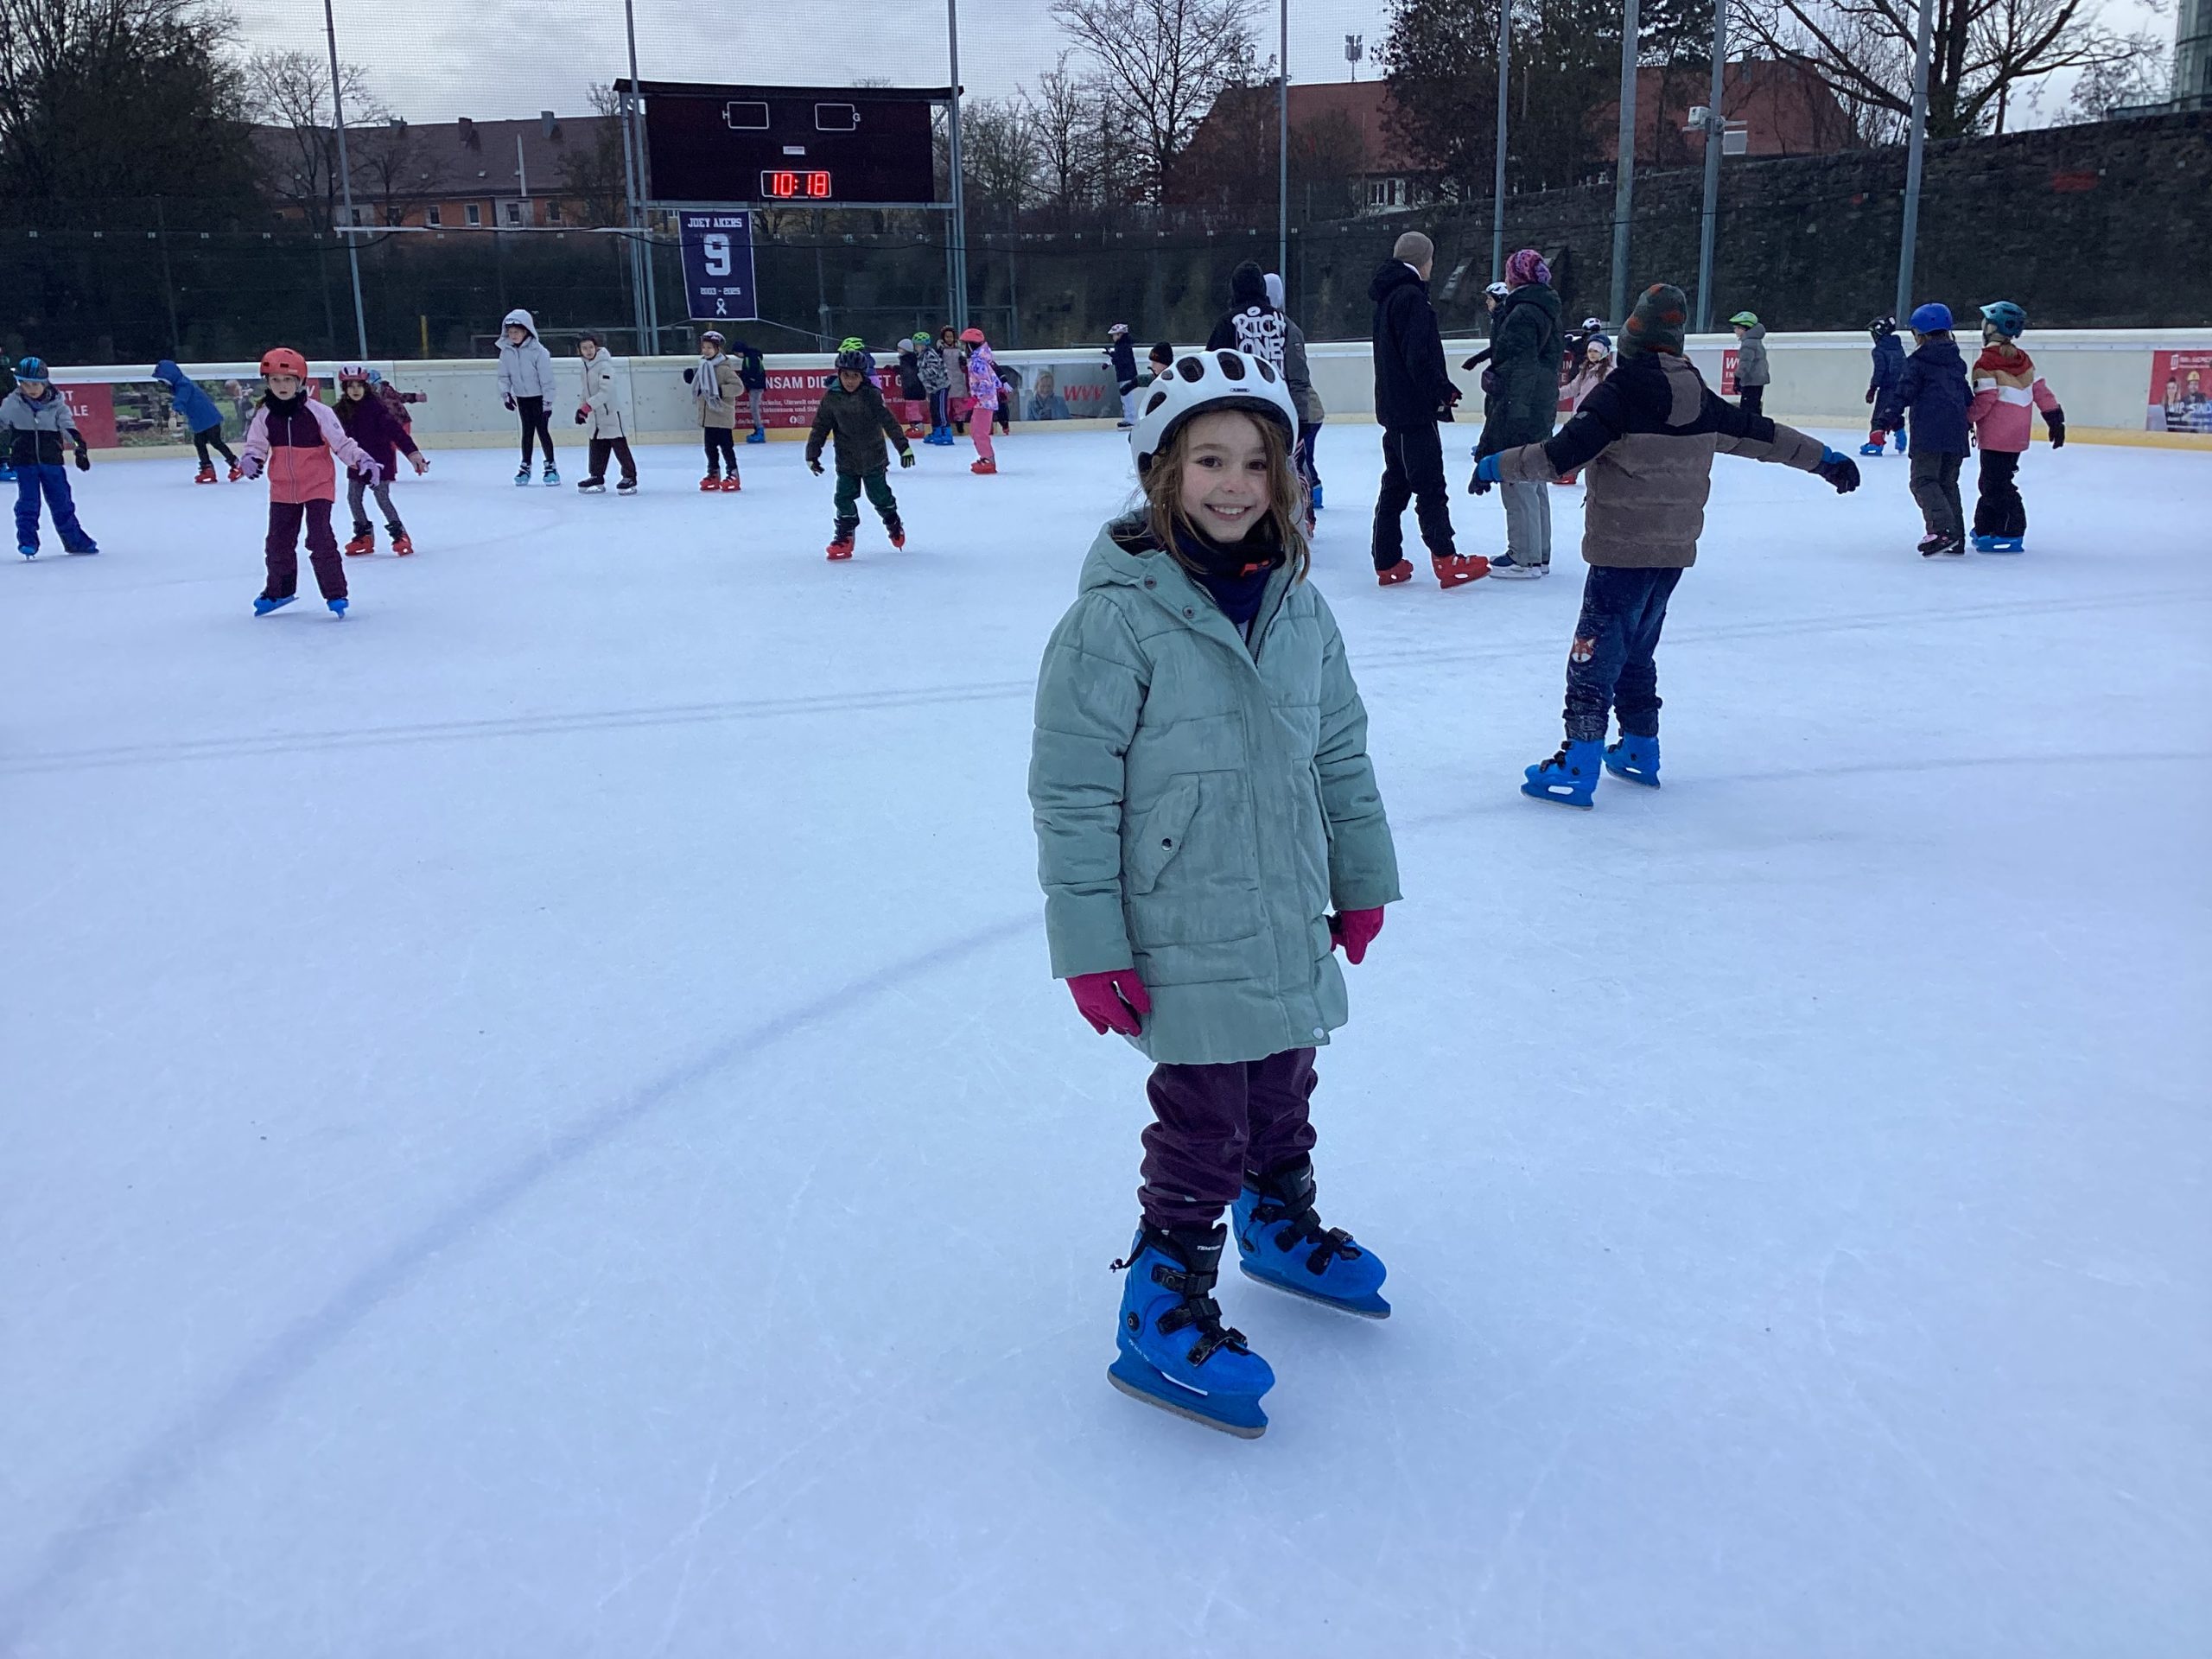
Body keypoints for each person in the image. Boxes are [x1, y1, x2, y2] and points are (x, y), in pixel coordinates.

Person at [1028, 346, 1400, 1440]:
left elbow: (1342, 753)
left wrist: (1361, 879)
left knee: (1284, 1079)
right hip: (1175, 916)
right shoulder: (1114, 621)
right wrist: (1090, 944)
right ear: (1162, 471)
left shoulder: (1299, 607)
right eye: (1208, 461)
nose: (1235, 484)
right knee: (1203, 1119)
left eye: (1255, 462)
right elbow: (1071, 794)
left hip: (1284, 901)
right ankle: (1160, 1302)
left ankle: (1276, 1220)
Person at [1471, 284, 1860, 808]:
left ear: (1632, 338)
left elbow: (1560, 456)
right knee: (1636, 650)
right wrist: (1826, 459)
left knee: (1592, 655)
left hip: (1619, 550)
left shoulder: (1619, 393)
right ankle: (1639, 747)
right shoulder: (1699, 396)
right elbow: (1766, 436)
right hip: (1672, 552)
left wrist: (1495, 464)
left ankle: (1578, 763)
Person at [1369, 230, 1482, 588]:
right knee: (1429, 484)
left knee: (1397, 483)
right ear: (1423, 260)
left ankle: (1387, 560)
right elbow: (1417, 355)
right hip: (1413, 410)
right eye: (1431, 258)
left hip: (1394, 408)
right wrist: (1441, 389)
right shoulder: (1411, 298)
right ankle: (1446, 558)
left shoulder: (1388, 297)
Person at [238, 346, 380, 618]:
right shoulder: (265, 414)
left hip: (317, 486)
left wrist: (362, 460)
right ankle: (280, 591)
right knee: (278, 542)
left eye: (287, 380)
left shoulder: (318, 412)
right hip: (283, 488)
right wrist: (251, 459)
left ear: (300, 381)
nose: (281, 386)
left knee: (320, 539)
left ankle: (336, 594)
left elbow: (342, 444)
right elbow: (256, 445)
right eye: (275, 380)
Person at [1470, 246, 1564, 580]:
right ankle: (1539, 554)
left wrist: (1505, 398)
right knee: (1535, 478)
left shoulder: (1523, 313)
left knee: (1516, 475)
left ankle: (1523, 557)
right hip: (1541, 405)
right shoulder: (1546, 308)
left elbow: (1520, 366)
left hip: (1521, 407)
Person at [1966, 300, 2064, 553]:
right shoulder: (2023, 359)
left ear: (1990, 328)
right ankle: (1985, 526)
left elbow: (1986, 399)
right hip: (2017, 435)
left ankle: (2011, 530)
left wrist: (1966, 418)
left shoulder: (1986, 362)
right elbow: (2040, 390)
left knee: (1997, 484)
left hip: (1995, 435)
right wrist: (2055, 418)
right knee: (1992, 481)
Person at [806, 346, 915, 560]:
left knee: (879, 496)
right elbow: (820, 427)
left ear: (862, 377)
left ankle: (892, 520)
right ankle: (844, 536)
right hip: (846, 459)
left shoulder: (871, 395)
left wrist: (903, 447)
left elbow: (889, 422)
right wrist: (812, 454)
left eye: (855, 376)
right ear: (839, 374)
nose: (850, 381)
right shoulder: (832, 398)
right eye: (846, 375)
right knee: (843, 497)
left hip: (873, 457)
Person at [1890, 302, 1973, 556]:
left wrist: (1884, 420)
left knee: (1923, 480)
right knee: (1948, 483)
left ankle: (1943, 531)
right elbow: (1966, 396)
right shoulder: (1956, 361)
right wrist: (1969, 422)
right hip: (1956, 432)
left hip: (1929, 432)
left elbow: (1903, 393)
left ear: (1918, 334)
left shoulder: (1917, 362)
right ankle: (1956, 538)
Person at [3, 357, 98, 557]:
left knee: (62, 502)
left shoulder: (57, 405)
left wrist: (80, 449)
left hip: (51, 462)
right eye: (25, 384)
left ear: (45, 383)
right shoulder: (11, 404)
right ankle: (27, 541)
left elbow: (68, 428)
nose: (31, 389)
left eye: (35, 384)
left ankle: (76, 542)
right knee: (28, 503)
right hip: (24, 463)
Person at [334, 364, 428, 555]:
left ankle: (400, 535)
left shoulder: (376, 407)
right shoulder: (340, 410)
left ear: (365, 387)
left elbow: (396, 431)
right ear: (345, 389)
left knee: (381, 497)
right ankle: (364, 536)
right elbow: (324, 426)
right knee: (353, 498)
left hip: (381, 460)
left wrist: (412, 453)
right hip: (356, 461)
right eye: (351, 386)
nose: (355, 390)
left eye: (359, 386)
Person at [1267, 271, 1326, 522]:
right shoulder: (1280, 328)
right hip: (1297, 410)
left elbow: (1299, 378)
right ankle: (1310, 501)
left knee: (1301, 460)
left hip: (1305, 413)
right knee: (1300, 460)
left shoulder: (1286, 330)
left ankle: (1309, 508)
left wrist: (1299, 415)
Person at [495, 308, 558, 486]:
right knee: (527, 433)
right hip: (522, 398)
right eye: (510, 332)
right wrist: (506, 394)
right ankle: (525, 466)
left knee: (543, 431)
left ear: (526, 331)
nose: (513, 335)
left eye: (517, 332)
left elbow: (547, 379)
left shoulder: (539, 352)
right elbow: (504, 375)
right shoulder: (506, 352)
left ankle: (551, 466)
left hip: (539, 398)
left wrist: (547, 403)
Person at [572, 333, 638, 495]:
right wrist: (581, 410)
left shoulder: (605, 366)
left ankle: (629, 476)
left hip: (610, 414)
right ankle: (596, 476)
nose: (588, 351)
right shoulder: (585, 367)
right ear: (579, 350)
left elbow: (606, 392)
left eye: (591, 347)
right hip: (596, 416)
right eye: (584, 348)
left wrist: (587, 407)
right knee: (596, 444)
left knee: (619, 445)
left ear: (596, 347)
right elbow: (585, 391)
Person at [153, 359, 237, 484]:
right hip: (201, 421)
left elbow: (181, 399)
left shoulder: (184, 385)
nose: (162, 384)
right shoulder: (178, 385)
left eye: (162, 380)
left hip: (209, 419)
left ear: (169, 377)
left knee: (216, 442)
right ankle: (207, 468)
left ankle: (235, 463)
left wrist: (174, 414)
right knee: (200, 443)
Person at [685, 330, 744, 493]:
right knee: (709, 448)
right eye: (704, 347)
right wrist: (692, 379)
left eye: (710, 348)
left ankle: (733, 474)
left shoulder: (724, 369)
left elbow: (738, 387)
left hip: (722, 416)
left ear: (718, 349)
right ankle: (713, 473)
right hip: (708, 417)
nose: (706, 351)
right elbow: (700, 385)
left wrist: (719, 390)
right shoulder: (703, 367)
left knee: (726, 447)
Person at [1206, 258, 1287, 367]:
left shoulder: (1228, 322)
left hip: (1240, 378)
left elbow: (1211, 362)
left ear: (1235, 287)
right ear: (1262, 286)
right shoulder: (1280, 320)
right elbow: (1293, 362)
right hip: (1275, 378)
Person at [1861, 316, 1908, 457]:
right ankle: (1901, 437)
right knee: (1893, 412)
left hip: (1887, 388)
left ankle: (1876, 443)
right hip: (1901, 387)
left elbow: (1880, 370)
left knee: (1879, 416)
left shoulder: (1879, 350)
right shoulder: (1898, 347)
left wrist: (1872, 388)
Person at [960, 326, 1001, 474]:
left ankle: (988, 459)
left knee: (979, 432)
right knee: (976, 430)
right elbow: (994, 379)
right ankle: (985, 457)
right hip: (983, 402)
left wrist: (976, 397)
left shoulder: (978, 362)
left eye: (964, 345)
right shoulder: (982, 358)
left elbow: (986, 383)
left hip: (984, 403)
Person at [915, 331, 953, 444]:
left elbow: (934, 369)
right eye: (915, 345)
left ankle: (946, 433)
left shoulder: (930, 354)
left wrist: (921, 375)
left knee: (941, 410)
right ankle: (937, 431)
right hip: (932, 388)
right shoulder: (921, 356)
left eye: (918, 345)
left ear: (924, 345)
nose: (916, 347)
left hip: (941, 386)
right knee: (934, 410)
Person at [1729, 311, 1770, 416]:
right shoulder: (1756, 341)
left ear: (1744, 329)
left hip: (1751, 381)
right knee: (1755, 406)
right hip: (1758, 380)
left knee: (1747, 408)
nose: (1735, 330)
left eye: (1737, 328)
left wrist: (1738, 378)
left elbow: (1745, 364)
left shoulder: (1748, 344)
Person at [728, 338, 768, 441]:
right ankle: (758, 430)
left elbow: (751, 372)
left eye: (736, 354)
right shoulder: (752, 356)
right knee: (754, 408)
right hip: (756, 385)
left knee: (754, 408)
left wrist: (744, 379)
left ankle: (759, 430)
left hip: (756, 386)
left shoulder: (750, 358)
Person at [895, 335, 931, 435]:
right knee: (911, 409)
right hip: (912, 388)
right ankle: (914, 426)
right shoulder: (909, 359)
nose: (898, 350)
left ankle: (918, 427)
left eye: (900, 348)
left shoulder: (908, 360)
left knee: (913, 409)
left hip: (912, 389)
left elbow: (908, 373)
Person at [937, 325, 969, 434]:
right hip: (945, 377)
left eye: (951, 336)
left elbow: (964, 365)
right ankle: (945, 423)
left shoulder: (960, 350)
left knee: (958, 402)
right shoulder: (940, 350)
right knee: (945, 403)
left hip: (958, 378)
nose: (949, 339)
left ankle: (960, 422)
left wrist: (963, 362)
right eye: (947, 337)